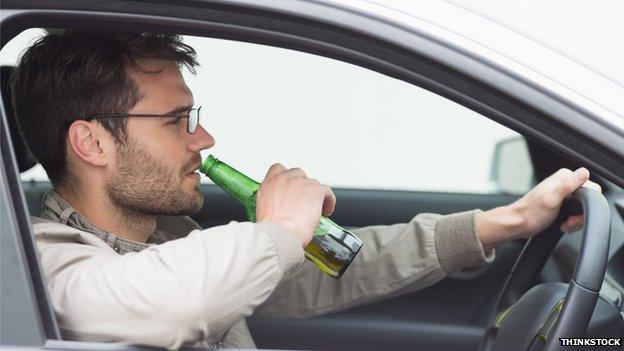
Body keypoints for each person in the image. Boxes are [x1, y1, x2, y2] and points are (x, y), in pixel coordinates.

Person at [11, 31, 598, 350]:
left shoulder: (167, 238)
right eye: (176, 121)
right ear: (91, 143)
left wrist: (508, 222)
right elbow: (174, 301)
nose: (204, 138)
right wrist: (280, 228)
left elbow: (325, 270)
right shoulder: (38, 266)